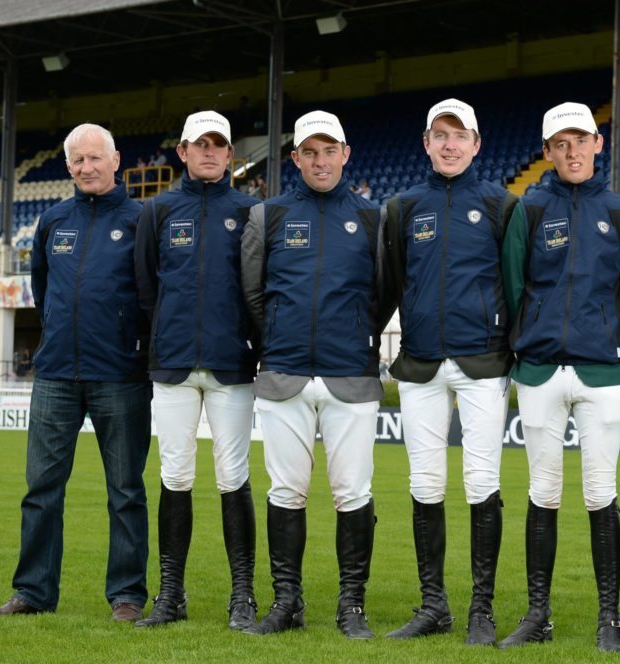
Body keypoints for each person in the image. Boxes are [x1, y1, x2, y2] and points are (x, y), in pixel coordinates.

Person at [0, 123, 152, 622]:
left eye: (95, 158)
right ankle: (32, 592)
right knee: (41, 490)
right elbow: (41, 290)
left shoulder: (143, 219)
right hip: (55, 374)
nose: (86, 167)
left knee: (125, 490)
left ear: (116, 160)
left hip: (120, 374)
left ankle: (127, 595)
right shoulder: (53, 221)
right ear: (68, 166)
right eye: (77, 160)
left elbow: (150, 297)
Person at [499, 102, 620, 652]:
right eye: (561, 144)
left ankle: (609, 617)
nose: (572, 152)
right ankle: (539, 614)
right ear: (547, 152)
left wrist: (616, 345)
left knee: (601, 491)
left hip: (602, 372)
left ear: (598, 143)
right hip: (538, 370)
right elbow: (515, 285)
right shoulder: (529, 209)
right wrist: (528, 339)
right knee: (543, 491)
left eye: (581, 140)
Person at [240, 110, 389, 638]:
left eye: (330, 151)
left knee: (353, 491)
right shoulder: (269, 216)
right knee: (286, 491)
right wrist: (279, 335)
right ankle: (287, 602)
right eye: (310, 152)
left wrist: (352, 334)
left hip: (351, 375)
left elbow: (382, 294)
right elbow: (254, 294)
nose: (320, 160)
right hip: (283, 374)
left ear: (345, 154)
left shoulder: (374, 218)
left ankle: (352, 605)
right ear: (295, 157)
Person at [383, 98, 519, 646]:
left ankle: (480, 610)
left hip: (483, 362)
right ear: (426, 142)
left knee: (482, 482)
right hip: (419, 364)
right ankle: (433, 605)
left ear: (476, 144)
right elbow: (390, 282)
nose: (449, 144)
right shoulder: (402, 206)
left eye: (459, 135)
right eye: (440, 134)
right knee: (425, 483)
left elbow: (516, 283)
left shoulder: (500, 204)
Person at [133, 110, 260, 630]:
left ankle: (244, 596)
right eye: (198, 144)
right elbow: (145, 289)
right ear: (181, 152)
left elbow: (259, 288)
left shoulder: (253, 211)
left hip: (232, 364)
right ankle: (170, 596)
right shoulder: (158, 211)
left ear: (231, 155)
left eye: (218, 144)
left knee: (234, 478)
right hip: (174, 366)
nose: (208, 152)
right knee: (175, 476)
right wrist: (163, 335)